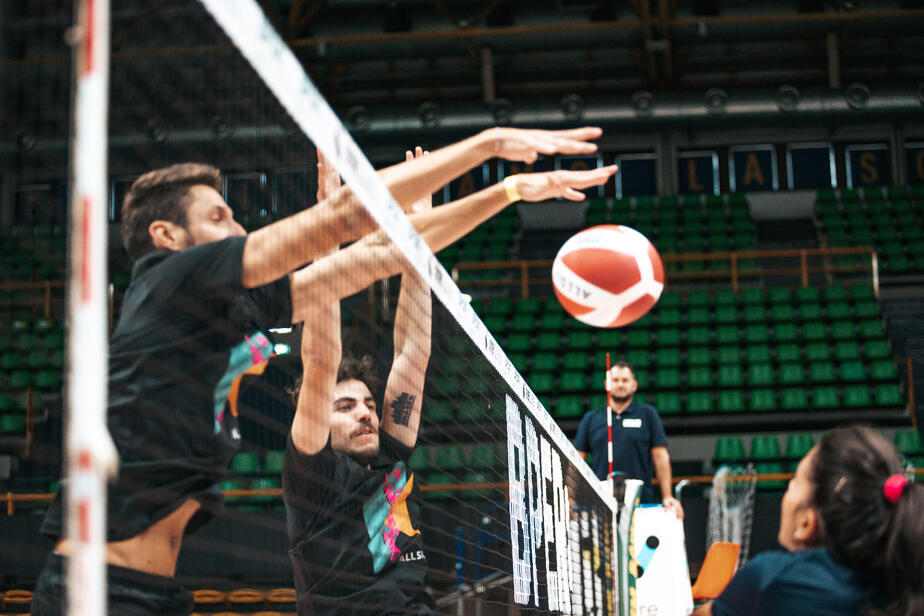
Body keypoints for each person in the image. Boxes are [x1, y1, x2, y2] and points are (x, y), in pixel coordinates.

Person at [32, 126, 617, 615]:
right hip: (96, 588)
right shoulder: (168, 281)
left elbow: (371, 264)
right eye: (219, 216)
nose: (237, 229)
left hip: (154, 590)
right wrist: (488, 146)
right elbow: (331, 285)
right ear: (167, 236)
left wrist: (507, 191)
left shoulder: (232, 310)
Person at [282, 148, 435, 615]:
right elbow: (320, 355)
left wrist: (414, 235)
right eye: (343, 407)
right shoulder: (312, 474)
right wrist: (330, 228)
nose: (365, 412)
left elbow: (413, 351)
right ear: (316, 422)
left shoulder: (390, 453)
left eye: (367, 403)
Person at [695, 425, 923, 616]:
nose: (788, 490)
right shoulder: (908, 579)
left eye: (794, 483)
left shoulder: (772, 580)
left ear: (806, 524)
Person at [574, 361, 683, 518]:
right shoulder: (591, 419)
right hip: (600, 503)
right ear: (607, 385)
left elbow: (660, 457)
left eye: (625, 380)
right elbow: (577, 461)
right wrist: (571, 499)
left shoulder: (648, 414)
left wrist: (667, 496)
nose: (620, 384)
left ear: (634, 385)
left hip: (641, 503)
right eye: (615, 380)